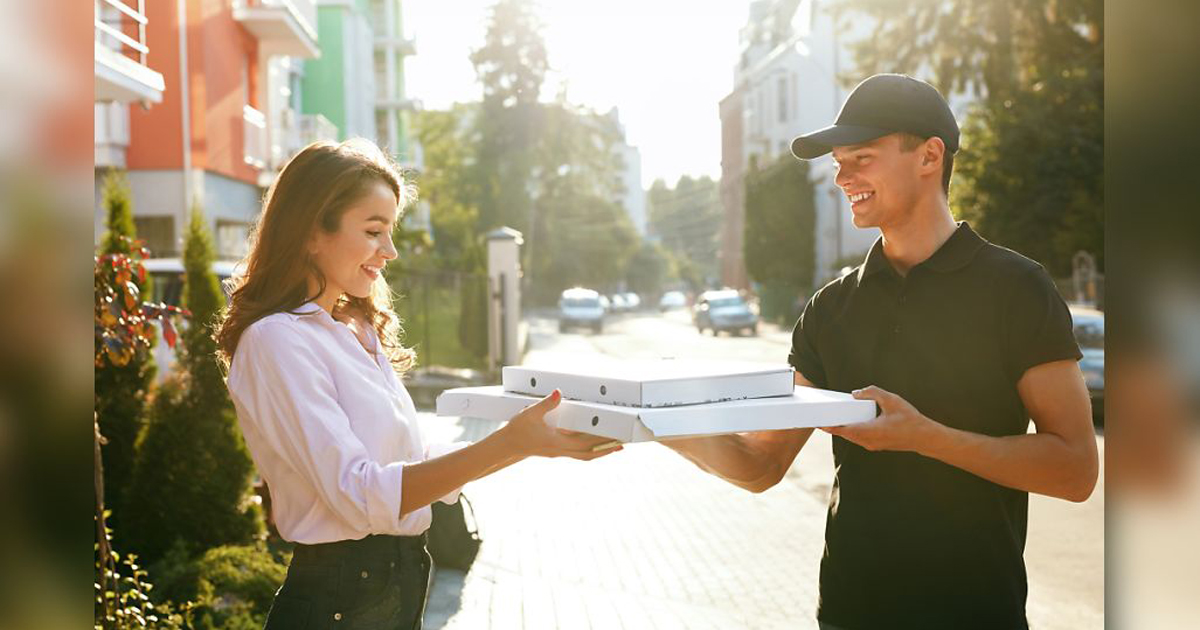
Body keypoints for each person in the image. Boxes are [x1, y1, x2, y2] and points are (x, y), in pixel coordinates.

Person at [664, 74, 1098, 629]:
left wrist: (925, 437)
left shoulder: (1017, 288)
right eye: (839, 163)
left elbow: (1075, 469)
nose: (842, 178)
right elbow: (762, 464)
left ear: (929, 156)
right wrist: (659, 423)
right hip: (849, 615)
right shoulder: (829, 310)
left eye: (861, 158)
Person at [214, 139, 621, 630]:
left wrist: (531, 442)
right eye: (373, 231)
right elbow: (360, 495)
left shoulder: (353, 330)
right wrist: (509, 444)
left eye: (390, 232)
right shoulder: (277, 340)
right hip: (337, 604)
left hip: (389, 592)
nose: (389, 251)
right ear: (311, 232)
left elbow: (411, 464)